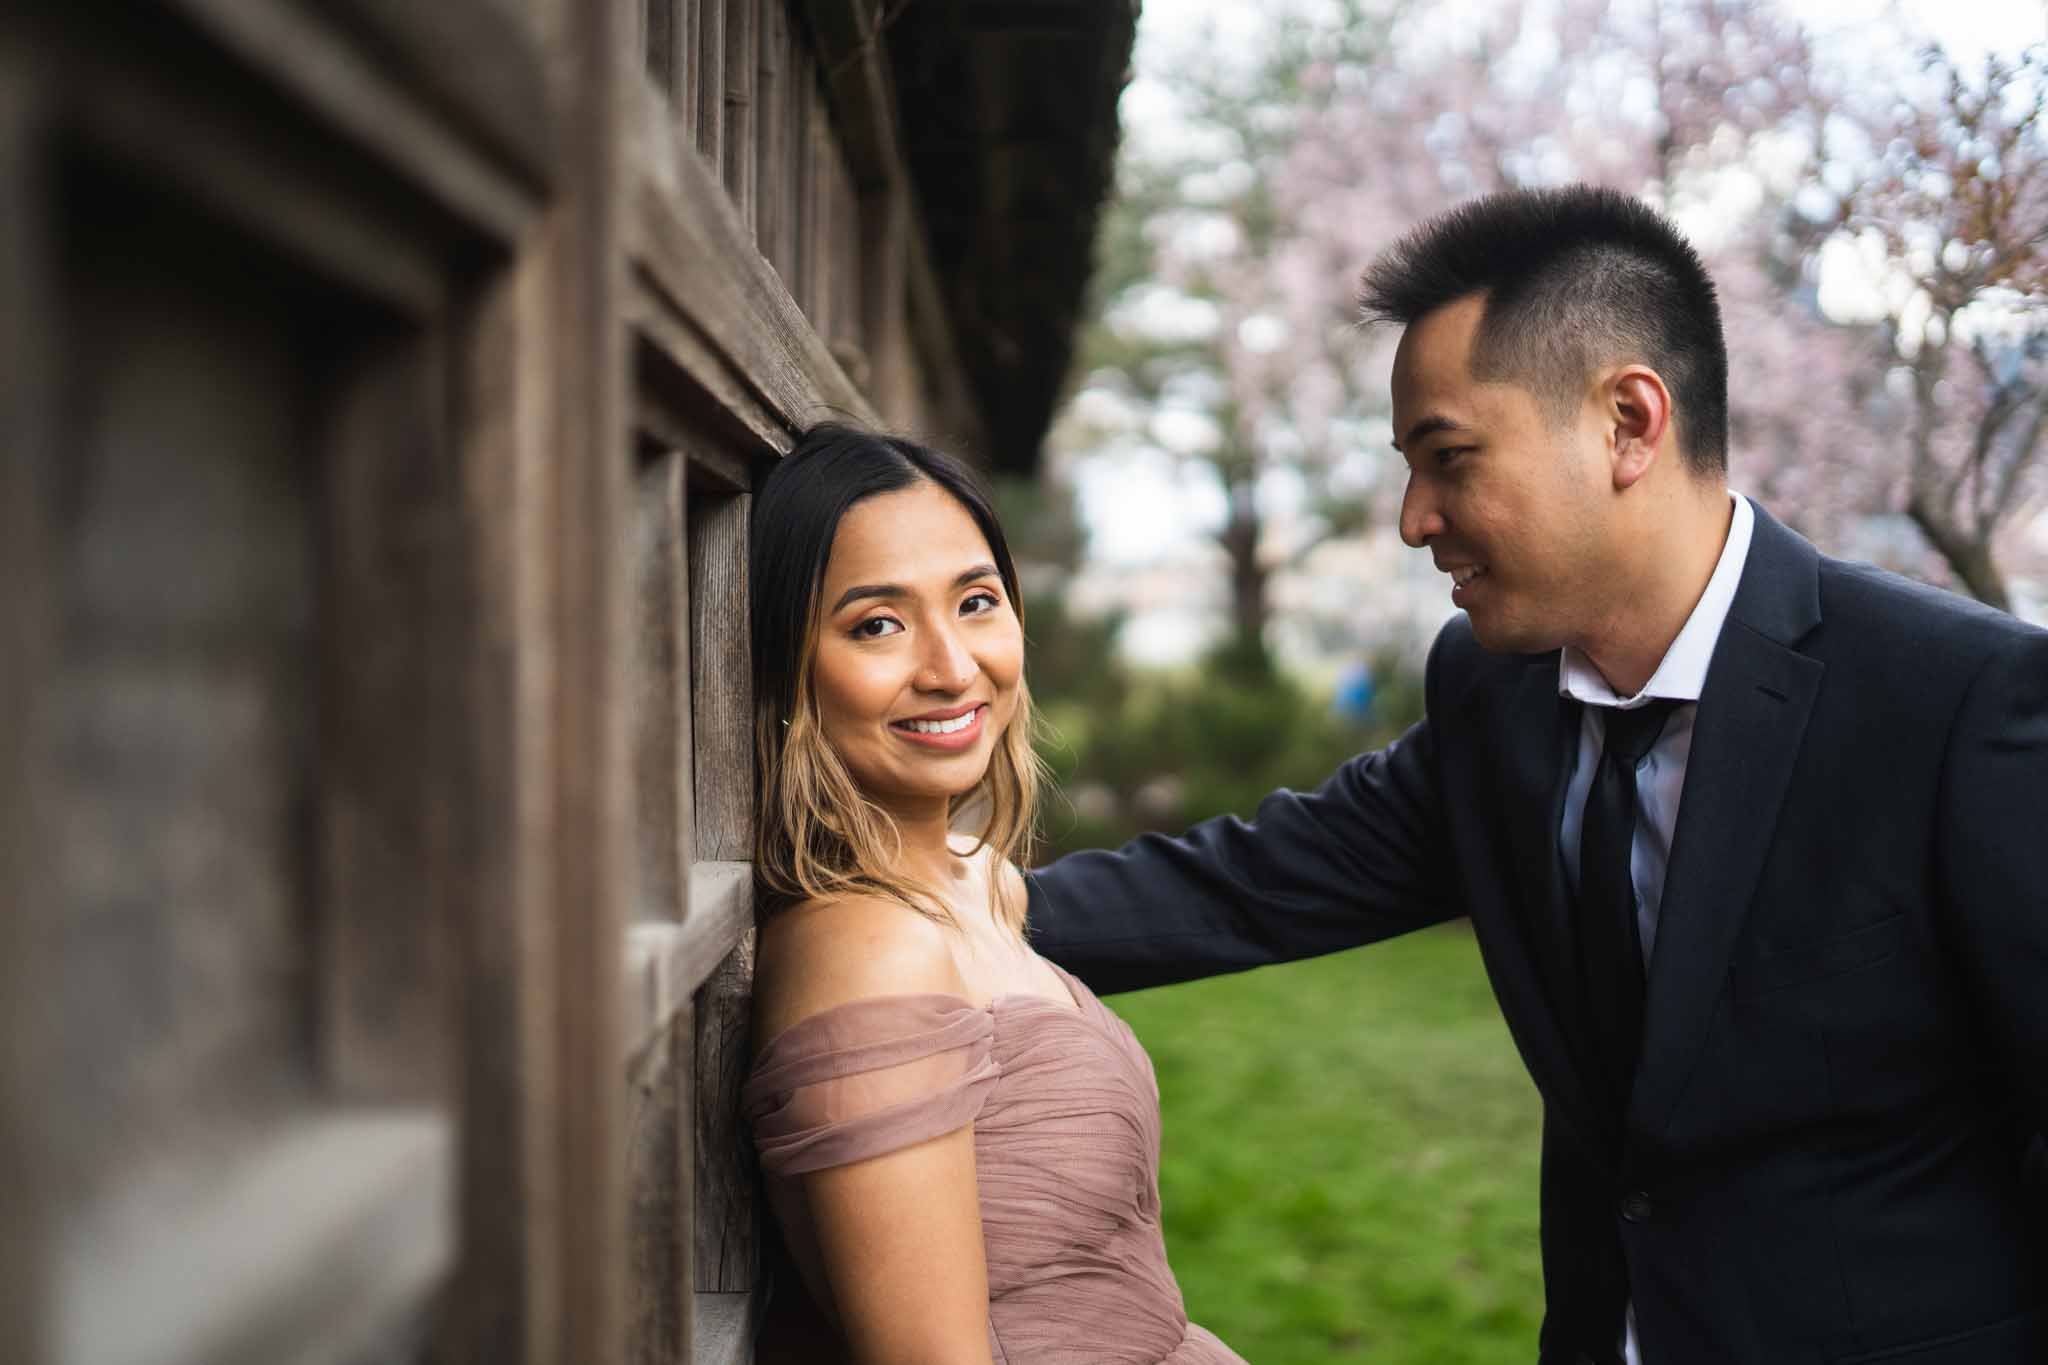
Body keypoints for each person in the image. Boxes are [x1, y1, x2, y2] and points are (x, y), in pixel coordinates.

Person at [1027, 186, 2048, 1364]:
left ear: (1626, 421)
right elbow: (1250, 883)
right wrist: (932, 917)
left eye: (1448, 459)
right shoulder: (1489, 692)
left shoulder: (1957, 700)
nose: (1415, 520)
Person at [738, 424, 1245, 1365]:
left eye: (976, 601)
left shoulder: (980, 880)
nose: (950, 665)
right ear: (787, 667)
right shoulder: (867, 948)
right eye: (875, 624)